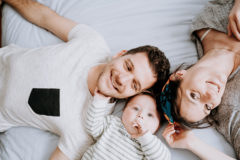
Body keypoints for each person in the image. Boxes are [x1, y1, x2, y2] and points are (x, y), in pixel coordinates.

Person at [0, 0, 170, 160]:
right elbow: (46, 17)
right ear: (120, 54)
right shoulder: (92, 43)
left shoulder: (89, 128)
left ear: (134, 95)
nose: (121, 79)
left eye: (134, 84)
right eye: (127, 66)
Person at [160, 0, 240, 159]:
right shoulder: (229, 108)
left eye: (194, 95)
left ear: (180, 75)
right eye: (208, 107)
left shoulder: (209, 21)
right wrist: (192, 143)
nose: (212, 96)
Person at [82, 90, 171, 160]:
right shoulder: (112, 123)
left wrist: (146, 137)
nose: (141, 115)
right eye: (136, 108)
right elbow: (92, 126)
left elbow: (163, 158)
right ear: (124, 110)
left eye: (150, 115)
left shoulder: (148, 146)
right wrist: (99, 102)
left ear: (158, 126)